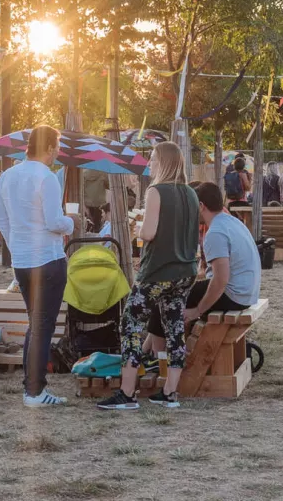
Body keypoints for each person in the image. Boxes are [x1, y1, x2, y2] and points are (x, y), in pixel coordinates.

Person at [98, 141, 199, 411]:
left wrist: (138, 225)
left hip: (157, 271)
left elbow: (149, 234)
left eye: (153, 158)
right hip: (185, 271)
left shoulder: (156, 191)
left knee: (130, 324)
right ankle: (169, 392)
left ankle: (127, 393)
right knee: (175, 327)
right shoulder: (190, 193)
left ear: (164, 162)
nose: (150, 163)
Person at [0, 124, 81, 408]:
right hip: (47, 259)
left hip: (22, 261)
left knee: (35, 323)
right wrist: (73, 222)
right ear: (47, 148)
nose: (58, 152)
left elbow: (2, 220)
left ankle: (30, 388)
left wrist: (17, 244)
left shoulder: (7, 176)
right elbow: (54, 222)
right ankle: (35, 390)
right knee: (43, 326)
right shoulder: (47, 177)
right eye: (56, 146)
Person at [143, 181, 260, 345]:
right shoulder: (230, 222)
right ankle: (148, 351)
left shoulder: (215, 232)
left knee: (165, 297)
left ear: (200, 205)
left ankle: (158, 357)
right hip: (246, 293)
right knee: (173, 294)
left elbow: (220, 281)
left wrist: (197, 310)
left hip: (234, 296)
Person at [83, 169, 109, 233]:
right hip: (100, 205)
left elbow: (81, 189)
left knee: (88, 226)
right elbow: (109, 185)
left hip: (87, 204)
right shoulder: (103, 173)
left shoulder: (84, 174)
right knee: (98, 227)